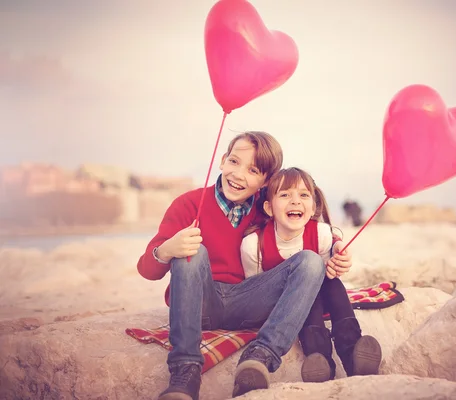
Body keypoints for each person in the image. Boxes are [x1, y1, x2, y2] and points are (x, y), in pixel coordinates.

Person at [136, 131, 353, 400]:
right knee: (192, 251)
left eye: (253, 170)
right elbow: (147, 269)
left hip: (250, 301)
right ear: (223, 160)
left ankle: (261, 355)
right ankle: (185, 372)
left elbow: (304, 225)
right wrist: (169, 248)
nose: (239, 174)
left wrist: (336, 246)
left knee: (310, 261)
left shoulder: (268, 206)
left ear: (266, 181)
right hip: (201, 301)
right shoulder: (188, 204)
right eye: (235, 162)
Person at [240, 167, 382, 383]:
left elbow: (333, 250)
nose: (295, 201)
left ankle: (353, 351)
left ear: (313, 205)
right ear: (269, 208)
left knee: (330, 282)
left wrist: (338, 251)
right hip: (286, 305)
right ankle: (319, 358)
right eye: (285, 194)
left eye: (303, 195)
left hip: (323, 295)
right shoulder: (254, 245)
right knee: (307, 291)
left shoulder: (321, 233)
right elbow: (256, 291)